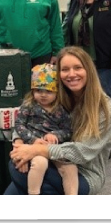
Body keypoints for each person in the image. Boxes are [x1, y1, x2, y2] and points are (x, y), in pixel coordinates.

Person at [5, 46, 111, 195]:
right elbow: (24, 120)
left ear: (89, 70)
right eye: (65, 69)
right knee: (18, 167)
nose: (71, 74)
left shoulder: (105, 108)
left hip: (84, 171)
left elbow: (83, 152)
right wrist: (19, 142)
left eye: (78, 67)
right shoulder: (57, 96)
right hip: (49, 157)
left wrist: (36, 149)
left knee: (20, 175)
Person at [15, 63, 78, 195]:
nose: (43, 95)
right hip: (33, 147)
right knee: (40, 163)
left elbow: (68, 130)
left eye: (48, 91)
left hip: (54, 148)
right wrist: (33, 140)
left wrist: (56, 135)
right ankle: (33, 194)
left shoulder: (61, 109)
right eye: (38, 91)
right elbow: (19, 124)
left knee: (70, 167)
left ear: (56, 91)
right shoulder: (29, 105)